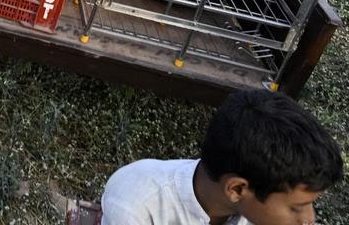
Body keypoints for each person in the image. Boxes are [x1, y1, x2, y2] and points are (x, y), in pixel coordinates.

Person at [101, 88, 342, 225]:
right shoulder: (135, 206)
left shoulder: (258, 210)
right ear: (236, 189)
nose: (309, 220)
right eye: (296, 208)